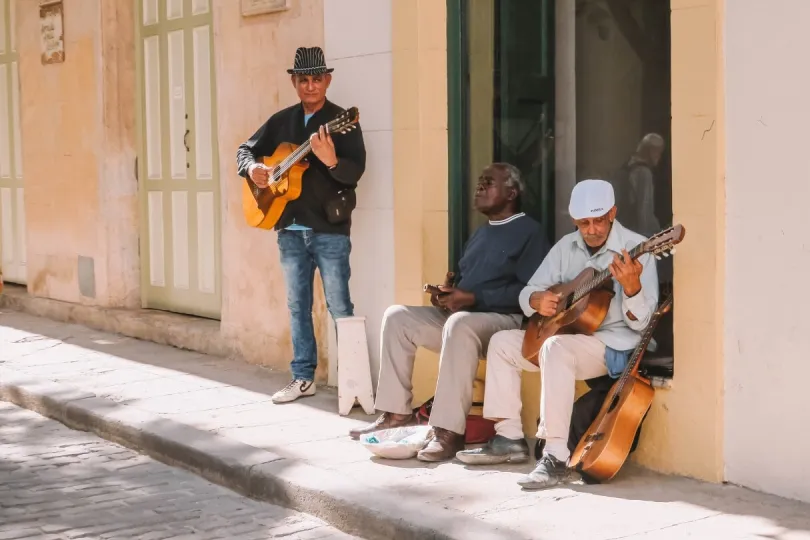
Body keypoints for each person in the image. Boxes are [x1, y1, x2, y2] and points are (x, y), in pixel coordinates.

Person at [457, 179, 658, 489]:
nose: (591, 230)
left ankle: (555, 457)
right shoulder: (567, 246)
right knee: (501, 343)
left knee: (555, 348)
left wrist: (632, 289)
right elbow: (529, 292)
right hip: (568, 336)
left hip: (612, 345)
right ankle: (508, 438)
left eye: (598, 220)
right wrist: (536, 300)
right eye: (583, 223)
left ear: (613, 213)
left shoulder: (638, 249)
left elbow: (641, 325)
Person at [349, 163, 551, 462]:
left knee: (459, 324)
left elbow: (530, 293)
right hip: (463, 319)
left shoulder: (530, 232)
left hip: (504, 323)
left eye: (488, 182)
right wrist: (448, 294)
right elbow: (465, 283)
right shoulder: (480, 233)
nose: (479, 187)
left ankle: (448, 432)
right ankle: (396, 414)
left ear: (511, 192)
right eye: (479, 181)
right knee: (397, 317)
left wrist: (472, 297)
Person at [236, 47, 366, 404]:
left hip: (329, 229)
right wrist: (254, 170)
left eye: (317, 79)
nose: (310, 86)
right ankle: (302, 377)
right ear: (295, 82)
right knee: (297, 306)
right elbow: (244, 150)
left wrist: (332, 160)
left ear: (327, 80)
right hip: (289, 229)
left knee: (341, 306)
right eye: (303, 80)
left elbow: (355, 172)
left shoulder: (342, 121)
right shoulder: (282, 121)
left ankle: (354, 383)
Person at [609, 133, 665, 238]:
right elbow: (645, 208)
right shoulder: (644, 173)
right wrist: (650, 234)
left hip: (620, 229)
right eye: (658, 152)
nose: (659, 156)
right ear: (651, 151)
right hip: (636, 232)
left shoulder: (625, 167)